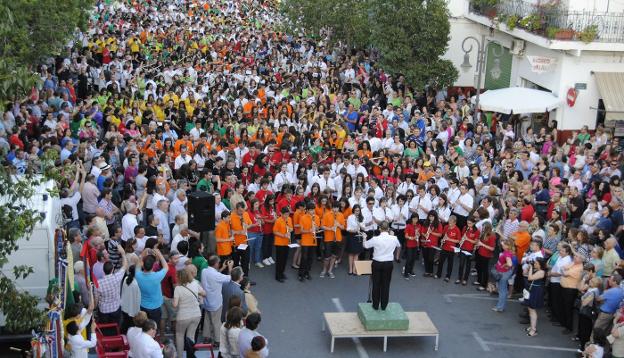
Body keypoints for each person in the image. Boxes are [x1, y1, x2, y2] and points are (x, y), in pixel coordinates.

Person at [363, 221, 401, 310]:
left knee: (376, 284)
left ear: (379, 229)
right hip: (388, 263)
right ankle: (384, 305)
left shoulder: (375, 239)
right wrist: (393, 234)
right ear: (388, 229)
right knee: (386, 285)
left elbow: (365, 246)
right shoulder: (394, 238)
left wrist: (364, 237)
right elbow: (399, 245)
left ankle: (375, 305)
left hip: (377, 263)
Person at [201, 255, 234, 347]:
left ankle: (206, 337)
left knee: (207, 320)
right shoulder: (216, 275)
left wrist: (223, 267)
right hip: (215, 302)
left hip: (206, 301)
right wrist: (230, 268)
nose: (219, 264)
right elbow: (230, 278)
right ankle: (217, 340)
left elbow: (216, 276)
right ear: (215, 264)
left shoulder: (204, 271)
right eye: (219, 263)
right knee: (216, 322)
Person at [173, 267, 204, 358]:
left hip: (183, 316)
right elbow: (204, 293)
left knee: (180, 336)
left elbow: (175, 305)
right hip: (196, 314)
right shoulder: (195, 283)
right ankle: (190, 355)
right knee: (191, 336)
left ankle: (179, 356)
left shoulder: (178, 289)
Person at [135, 248, 169, 323]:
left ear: (143, 264)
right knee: (154, 326)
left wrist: (144, 251)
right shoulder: (157, 276)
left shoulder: (138, 275)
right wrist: (159, 253)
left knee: (144, 325)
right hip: (155, 307)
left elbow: (138, 263)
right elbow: (166, 267)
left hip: (143, 305)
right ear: (153, 265)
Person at [524, 257, 546, 337]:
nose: (534, 264)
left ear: (541, 265)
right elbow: (524, 274)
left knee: (532, 309)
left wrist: (530, 268)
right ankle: (531, 326)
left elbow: (530, 278)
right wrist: (529, 268)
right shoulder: (536, 270)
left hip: (536, 291)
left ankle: (533, 329)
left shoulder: (541, 272)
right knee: (530, 308)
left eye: (536, 263)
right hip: (532, 289)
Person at [492, 239, 515, 312]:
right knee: (503, 290)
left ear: (507, 246)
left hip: (503, 273)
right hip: (504, 272)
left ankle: (499, 307)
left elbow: (510, 264)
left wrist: (503, 265)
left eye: (503, 245)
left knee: (502, 290)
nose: (502, 245)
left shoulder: (507, 253)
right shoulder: (508, 252)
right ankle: (501, 306)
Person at [273, 207, 293, 282]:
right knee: (279, 259)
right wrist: (283, 235)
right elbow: (275, 232)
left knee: (285, 259)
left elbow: (291, 228)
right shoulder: (278, 221)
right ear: (281, 214)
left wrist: (290, 229)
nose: (286, 216)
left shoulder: (289, 219)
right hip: (279, 243)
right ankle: (278, 275)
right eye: (285, 214)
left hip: (286, 242)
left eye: (288, 214)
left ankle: (282, 272)